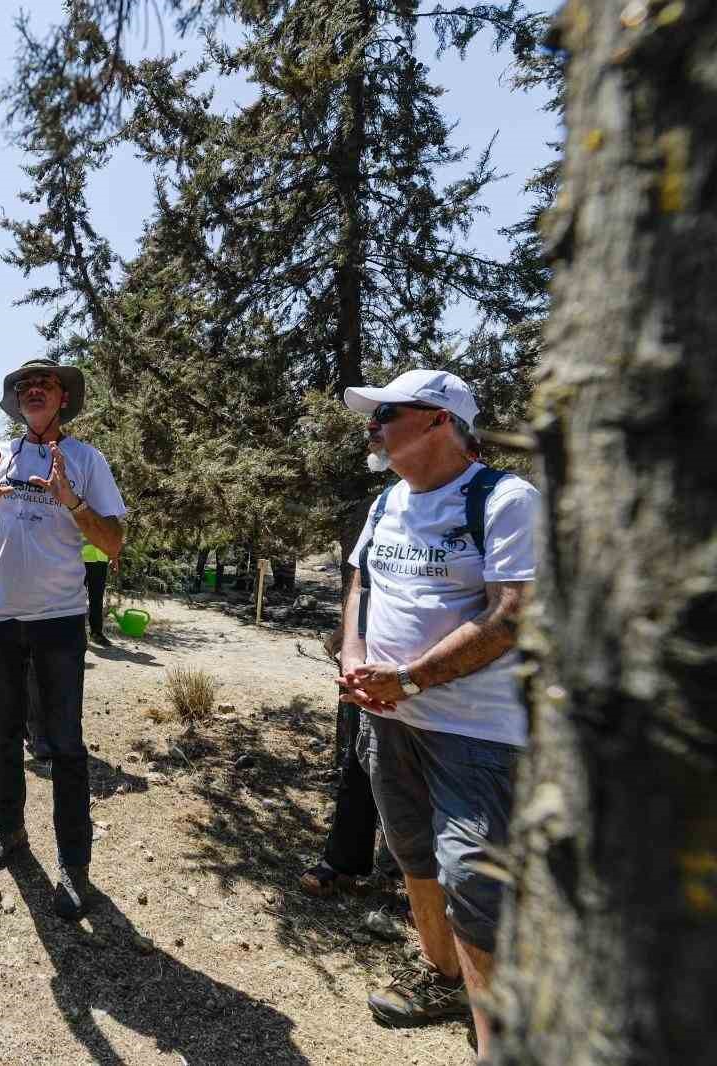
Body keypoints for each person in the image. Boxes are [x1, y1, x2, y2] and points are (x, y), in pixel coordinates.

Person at [338, 369, 536, 1057]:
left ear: (438, 421)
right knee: (413, 856)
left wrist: (412, 680)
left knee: (475, 885)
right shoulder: (387, 501)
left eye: (386, 413)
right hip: (388, 718)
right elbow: (362, 582)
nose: (373, 425)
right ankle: (441, 977)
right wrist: (354, 654)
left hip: (474, 730)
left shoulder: (506, 500)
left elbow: (513, 614)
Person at [0, 358, 126, 921]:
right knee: (3, 734)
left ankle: (75, 866)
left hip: (58, 620)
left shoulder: (86, 459)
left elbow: (115, 542)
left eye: (44, 385)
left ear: (63, 399)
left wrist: (71, 499)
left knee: (66, 746)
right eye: (24, 386)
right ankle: (10, 830)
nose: (33, 391)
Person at [81, 539, 115, 646]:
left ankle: (96, 633)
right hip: (80, 557)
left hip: (101, 558)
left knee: (97, 598)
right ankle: (75, 634)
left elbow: (111, 532)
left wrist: (114, 557)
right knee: (75, 598)